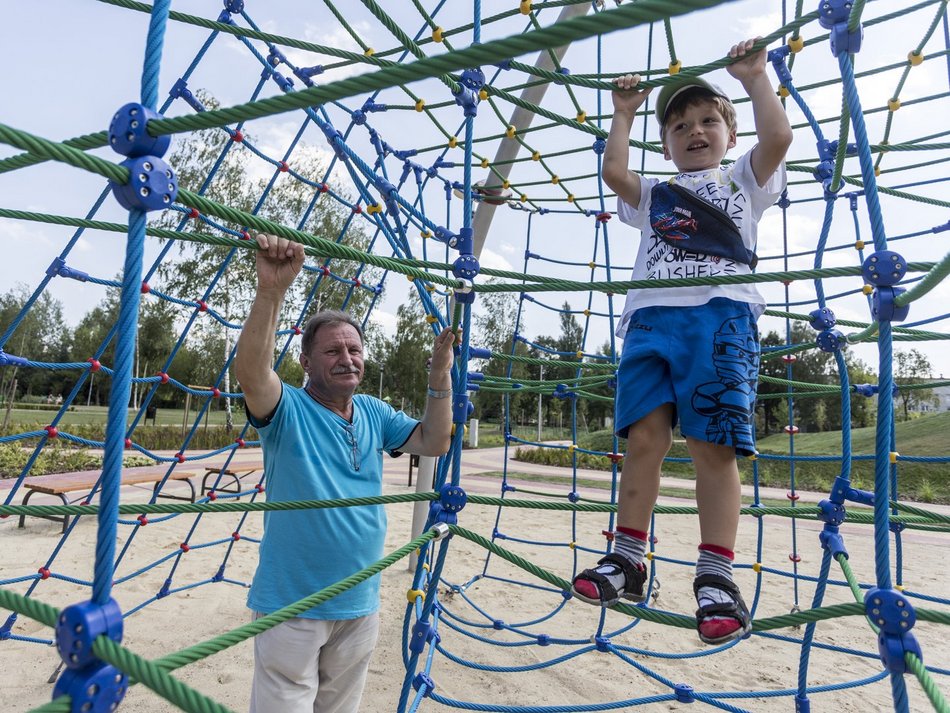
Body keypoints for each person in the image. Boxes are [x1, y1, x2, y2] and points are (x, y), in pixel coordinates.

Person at [571, 39, 793, 646]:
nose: (694, 132)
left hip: (720, 320)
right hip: (649, 322)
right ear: (665, 143)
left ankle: (716, 574)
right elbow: (615, 172)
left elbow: (777, 140)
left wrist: (754, 78)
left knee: (711, 445)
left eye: (706, 121)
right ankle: (628, 557)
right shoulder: (654, 195)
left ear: (728, 131)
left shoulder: (744, 182)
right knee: (643, 438)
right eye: (679, 125)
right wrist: (622, 114)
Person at [234, 232, 457, 713]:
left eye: (353, 349)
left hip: (360, 598)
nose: (347, 359)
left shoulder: (374, 412)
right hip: (292, 603)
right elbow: (252, 373)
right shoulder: (287, 407)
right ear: (306, 361)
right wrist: (271, 293)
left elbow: (434, 441)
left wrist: (440, 378)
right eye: (333, 351)